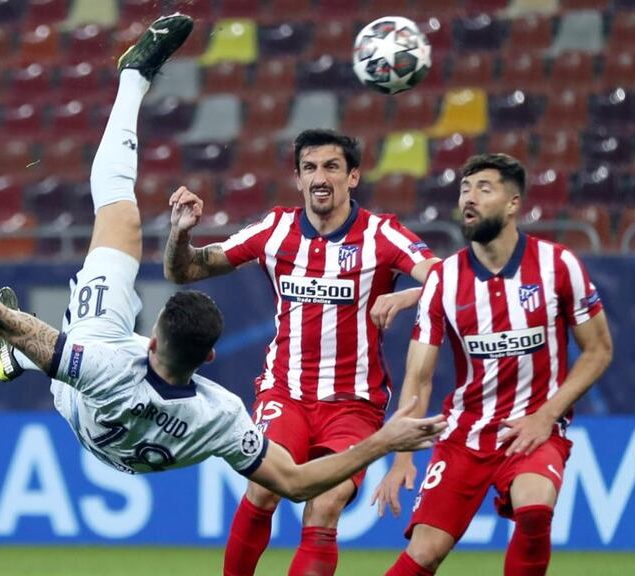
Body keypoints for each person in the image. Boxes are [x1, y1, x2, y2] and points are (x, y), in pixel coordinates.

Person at [0, 13, 446, 505]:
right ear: (209, 358)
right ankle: (19, 361)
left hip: (92, 392)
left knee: (117, 216)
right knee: (41, 342)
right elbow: (295, 484)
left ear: (151, 338)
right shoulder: (221, 413)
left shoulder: (104, 363)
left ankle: (133, 79)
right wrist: (384, 442)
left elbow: (0, 317)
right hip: (132, 448)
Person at [165, 128, 440, 575]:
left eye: (331, 167)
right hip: (285, 393)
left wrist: (407, 295)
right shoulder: (275, 230)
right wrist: (180, 235)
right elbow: (187, 270)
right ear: (297, 178)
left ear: (353, 177)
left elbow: (449, 278)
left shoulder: (382, 235)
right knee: (263, 489)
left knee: (326, 504)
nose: (319, 177)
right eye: (309, 168)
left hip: (353, 404)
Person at [373, 153, 614, 576]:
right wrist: (402, 456)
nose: (469, 198)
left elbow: (598, 351)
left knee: (535, 509)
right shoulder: (443, 280)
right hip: (463, 434)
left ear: (513, 203)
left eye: (484, 189)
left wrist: (546, 416)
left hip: (532, 428)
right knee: (424, 552)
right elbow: (419, 376)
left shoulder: (558, 265)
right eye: (465, 189)